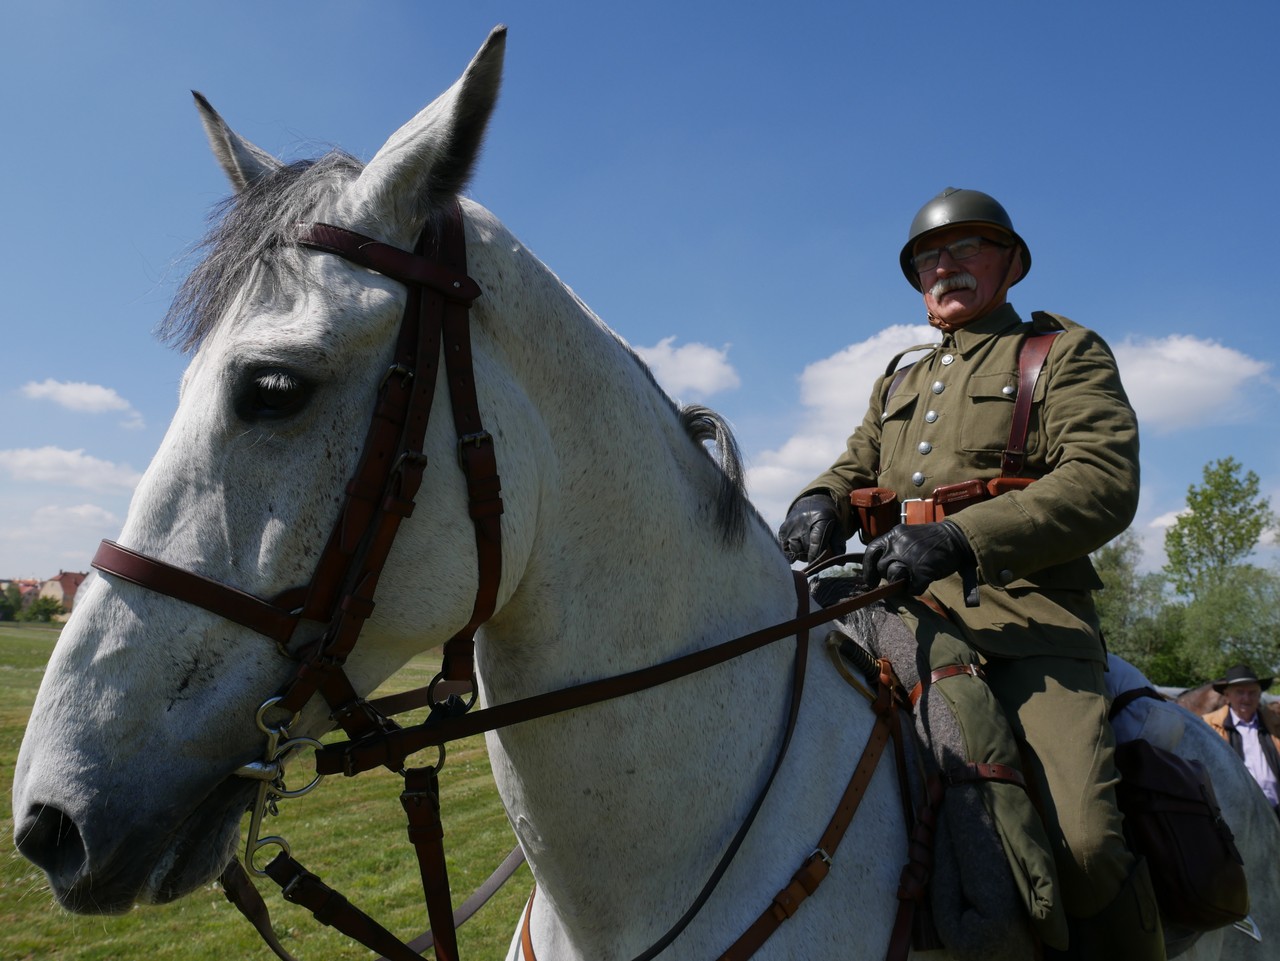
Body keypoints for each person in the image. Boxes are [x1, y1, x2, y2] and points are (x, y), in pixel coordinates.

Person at [778, 188, 1163, 959]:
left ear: (1011, 264)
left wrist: (962, 537)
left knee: (1085, 847)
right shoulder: (897, 379)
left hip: (1024, 622)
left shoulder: (1060, 354)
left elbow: (1102, 481)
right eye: (928, 256)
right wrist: (818, 500)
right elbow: (855, 464)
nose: (943, 265)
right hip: (890, 614)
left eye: (965, 249)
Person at [1202, 663, 1280, 813]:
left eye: (1252, 692)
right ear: (1227, 696)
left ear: (1259, 695)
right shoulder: (1209, 726)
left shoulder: (1274, 723)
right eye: (1240, 692)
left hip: (1276, 812)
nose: (1246, 698)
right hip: (1236, 815)